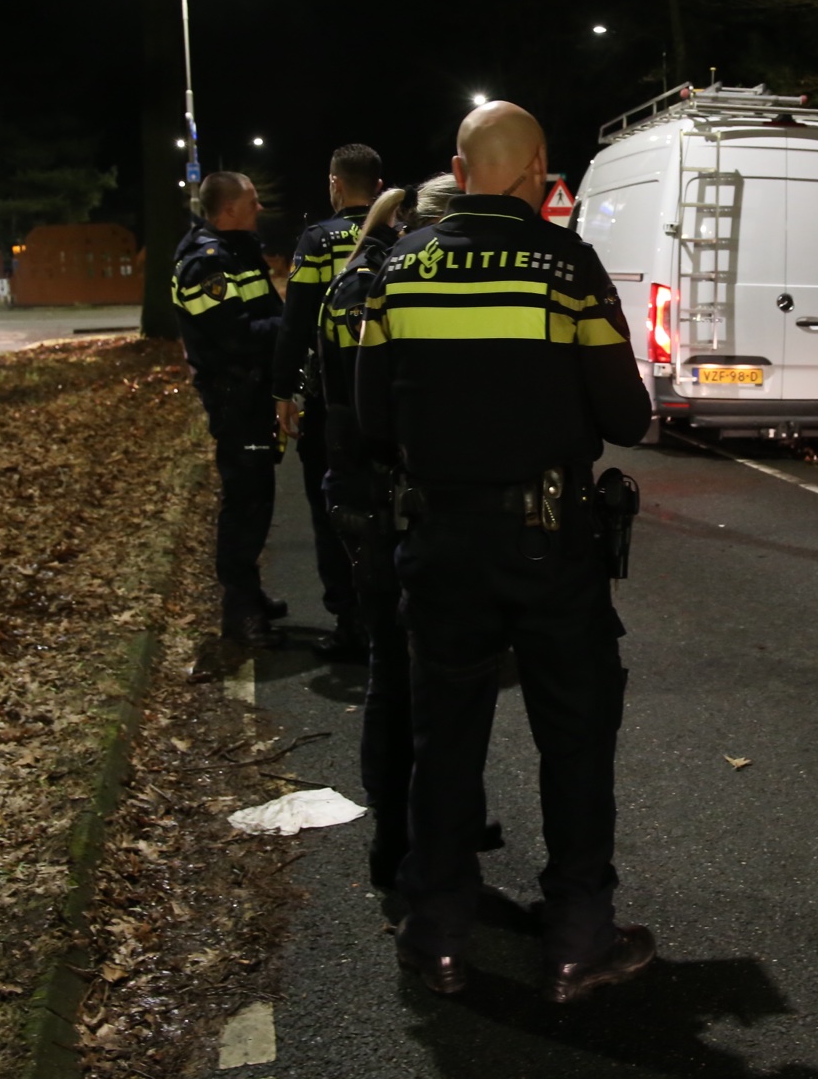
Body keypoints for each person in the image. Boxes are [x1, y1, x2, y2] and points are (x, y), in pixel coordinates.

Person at [357, 102, 655, 1003]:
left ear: (459, 169)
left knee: (444, 738)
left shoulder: (398, 267)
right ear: (538, 170)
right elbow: (626, 416)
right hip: (548, 543)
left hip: (439, 538)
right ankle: (577, 937)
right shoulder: (566, 265)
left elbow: (371, 419)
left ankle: (438, 934)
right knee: (576, 735)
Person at [316, 176, 478, 887]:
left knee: (401, 671)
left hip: (363, 491)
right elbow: (387, 412)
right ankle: (413, 836)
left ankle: (411, 829)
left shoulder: (363, 279)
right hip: (388, 497)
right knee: (414, 677)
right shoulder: (391, 288)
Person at [271, 145, 383, 657]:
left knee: (331, 507)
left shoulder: (317, 241)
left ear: (335, 183)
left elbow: (295, 324)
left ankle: (350, 621)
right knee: (387, 503)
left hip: (332, 397)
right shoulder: (398, 238)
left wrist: (283, 392)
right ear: (377, 187)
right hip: (384, 395)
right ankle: (388, 611)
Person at [172, 171, 285, 646]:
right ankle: (239, 613)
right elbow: (233, 338)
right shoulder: (208, 263)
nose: (259, 208)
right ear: (229, 208)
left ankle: (249, 595)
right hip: (235, 398)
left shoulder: (236, 251)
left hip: (251, 394)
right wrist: (291, 325)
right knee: (245, 504)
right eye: (252, 201)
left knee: (256, 498)